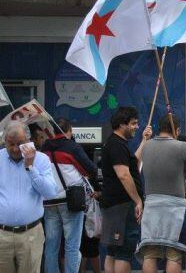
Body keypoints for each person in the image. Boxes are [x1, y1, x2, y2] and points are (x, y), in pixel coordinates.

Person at [136, 114, 186, 273]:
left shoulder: (147, 146)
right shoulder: (183, 147)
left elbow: (136, 163)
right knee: (174, 254)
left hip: (151, 206)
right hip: (175, 208)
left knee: (150, 253)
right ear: (176, 130)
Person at [41, 118, 101, 273]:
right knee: (72, 246)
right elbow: (91, 170)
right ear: (69, 131)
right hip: (71, 202)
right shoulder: (71, 147)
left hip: (49, 202)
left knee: (51, 246)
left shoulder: (44, 148)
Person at [0, 121, 58, 272]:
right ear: (4, 140)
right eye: (10, 144)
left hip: (31, 234)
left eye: (19, 144)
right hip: (2, 235)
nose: (14, 149)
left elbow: (50, 193)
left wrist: (30, 167)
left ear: (28, 140)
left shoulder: (41, 159)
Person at [100, 106, 146, 273]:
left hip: (114, 206)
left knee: (112, 252)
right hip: (123, 207)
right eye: (133, 123)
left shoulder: (115, 144)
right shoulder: (117, 145)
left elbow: (133, 164)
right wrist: (138, 200)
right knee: (124, 253)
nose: (137, 127)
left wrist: (144, 141)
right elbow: (124, 175)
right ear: (122, 124)